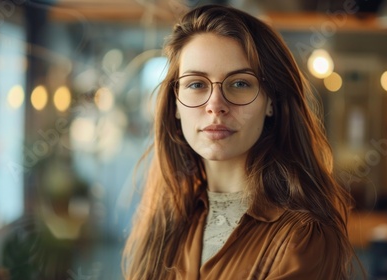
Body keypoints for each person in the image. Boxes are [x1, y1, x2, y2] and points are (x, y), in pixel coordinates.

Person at [122, 4, 356, 279]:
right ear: (175, 103)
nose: (215, 105)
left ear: (270, 102)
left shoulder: (303, 236)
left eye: (240, 83)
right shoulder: (165, 224)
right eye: (196, 84)